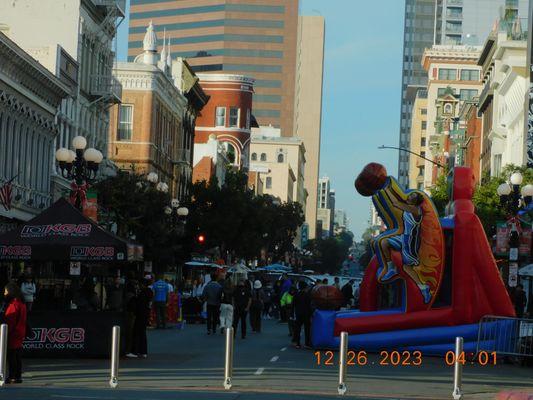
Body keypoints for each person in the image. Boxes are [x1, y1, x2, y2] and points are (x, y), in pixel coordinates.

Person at [374, 192, 430, 303]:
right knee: (384, 242)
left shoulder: (415, 210)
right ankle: (391, 268)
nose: (409, 196)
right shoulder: (410, 207)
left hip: (410, 241)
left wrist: (386, 190)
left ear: (416, 202)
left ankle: (423, 287)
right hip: (403, 236)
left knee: (407, 267)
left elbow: (395, 203)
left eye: (412, 196)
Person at [3, 283, 27, 383]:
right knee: (17, 356)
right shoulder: (22, 304)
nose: (4, 293)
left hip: (13, 334)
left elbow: (10, 321)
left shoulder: (13, 305)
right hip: (20, 333)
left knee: (12, 356)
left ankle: (13, 376)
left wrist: (6, 334)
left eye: (5, 291)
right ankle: (17, 376)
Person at [132, 277, 153, 358]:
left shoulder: (143, 293)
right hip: (146, 314)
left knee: (137, 332)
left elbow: (140, 304)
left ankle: (135, 351)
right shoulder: (150, 292)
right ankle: (143, 351)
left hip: (141, 314)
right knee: (143, 333)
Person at [292, 281, 312, 349]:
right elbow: (310, 305)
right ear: (305, 287)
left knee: (297, 328)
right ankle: (307, 343)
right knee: (307, 329)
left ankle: (297, 343)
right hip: (306, 314)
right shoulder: (308, 295)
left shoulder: (296, 295)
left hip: (298, 313)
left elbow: (293, 304)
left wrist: (292, 314)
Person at [124, 278, 138, 358]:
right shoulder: (132, 296)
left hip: (127, 314)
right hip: (130, 315)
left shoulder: (126, 295)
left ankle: (127, 349)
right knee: (130, 333)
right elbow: (133, 307)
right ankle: (128, 350)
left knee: (127, 333)